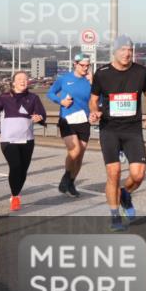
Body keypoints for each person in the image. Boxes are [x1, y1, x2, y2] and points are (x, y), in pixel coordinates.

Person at [89, 35, 146, 232]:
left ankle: (125, 194)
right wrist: (94, 111)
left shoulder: (140, 71)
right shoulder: (102, 73)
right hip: (109, 129)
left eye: (130, 50)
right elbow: (93, 99)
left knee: (138, 175)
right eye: (123, 50)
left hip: (132, 129)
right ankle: (114, 216)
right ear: (115, 51)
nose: (127, 53)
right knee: (114, 173)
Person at [0, 72, 46, 210]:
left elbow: (42, 114)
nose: (23, 81)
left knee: (23, 170)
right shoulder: (4, 98)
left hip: (27, 139)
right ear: (13, 82)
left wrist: (39, 117)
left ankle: (16, 193)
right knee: (16, 166)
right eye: (19, 79)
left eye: (25, 79)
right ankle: (15, 196)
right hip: (8, 139)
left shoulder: (33, 98)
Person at [47, 53, 93, 197]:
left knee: (80, 156)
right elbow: (50, 93)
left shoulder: (91, 81)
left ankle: (71, 182)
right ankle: (66, 178)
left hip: (84, 121)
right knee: (75, 151)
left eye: (88, 65)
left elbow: (98, 100)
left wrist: (95, 112)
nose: (85, 68)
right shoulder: (65, 79)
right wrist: (61, 102)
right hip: (67, 119)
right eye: (82, 65)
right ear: (75, 64)